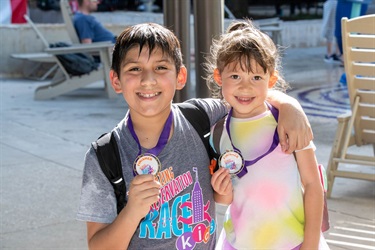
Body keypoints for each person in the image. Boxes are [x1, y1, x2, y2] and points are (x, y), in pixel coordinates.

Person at [76, 22, 313, 249]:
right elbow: (97, 245)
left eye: (160, 68)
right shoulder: (104, 156)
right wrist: (132, 211)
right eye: (134, 69)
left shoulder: (200, 117)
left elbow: (245, 94)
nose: (148, 80)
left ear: (180, 76)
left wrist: (290, 106)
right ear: (116, 80)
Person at [207, 19, 329, 249]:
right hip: (239, 243)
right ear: (218, 77)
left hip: (294, 241)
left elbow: (313, 184)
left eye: (256, 78)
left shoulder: (288, 123)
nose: (245, 87)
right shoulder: (217, 130)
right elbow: (226, 199)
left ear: (271, 80)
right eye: (235, 77)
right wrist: (221, 192)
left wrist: (311, 243)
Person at [321, 0, 342, 64]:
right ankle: (329, 54)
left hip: (340, 2)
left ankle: (337, 53)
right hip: (332, 2)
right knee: (331, 26)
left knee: (338, 26)